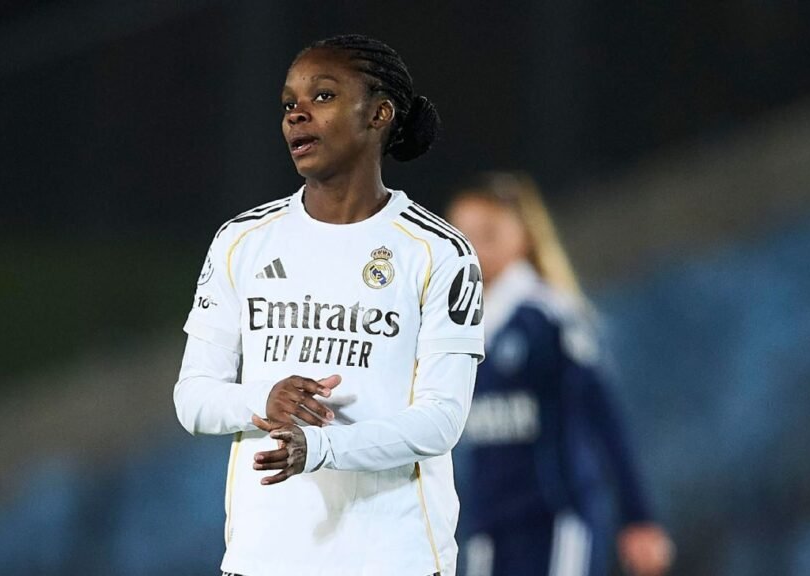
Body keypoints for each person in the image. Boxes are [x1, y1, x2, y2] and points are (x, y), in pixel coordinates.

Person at [173, 34, 485, 576]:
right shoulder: (241, 241)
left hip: (394, 559)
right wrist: (263, 398)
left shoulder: (439, 252)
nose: (296, 115)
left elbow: (442, 421)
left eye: (322, 96)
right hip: (262, 560)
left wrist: (321, 448)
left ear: (379, 114)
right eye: (288, 104)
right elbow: (192, 398)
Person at [444, 172, 674, 576]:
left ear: (523, 235)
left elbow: (604, 418)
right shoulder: (453, 330)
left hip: (554, 519)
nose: (474, 247)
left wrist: (638, 517)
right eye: (461, 236)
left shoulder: (550, 316)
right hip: (487, 527)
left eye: (488, 233)